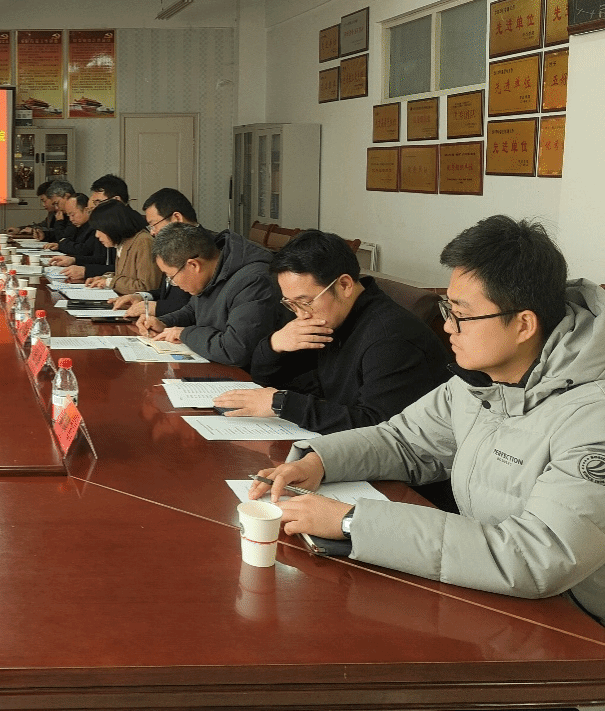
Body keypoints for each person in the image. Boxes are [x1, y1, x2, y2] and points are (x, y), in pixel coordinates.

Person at [251, 217, 605, 624]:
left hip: (576, 624)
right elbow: (404, 440)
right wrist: (319, 461)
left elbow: (536, 555)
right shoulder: (480, 380)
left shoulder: (592, 417)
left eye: (461, 315)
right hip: (490, 592)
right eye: (447, 309)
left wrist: (351, 522)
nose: (448, 327)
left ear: (524, 324)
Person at [214, 229, 450, 434]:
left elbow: (378, 428)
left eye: (305, 302)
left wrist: (282, 404)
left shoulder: (391, 338)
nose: (300, 314)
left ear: (344, 285)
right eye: (291, 304)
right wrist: (275, 345)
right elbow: (272, 382)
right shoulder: (332, 318)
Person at [137, 223, 278, 369]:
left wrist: (185, 334)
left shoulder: (253, 281)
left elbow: (235, 350)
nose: (173, 283)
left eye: (171, 276)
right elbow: (192, 311)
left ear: (194, 265)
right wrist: (164, 322)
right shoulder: (214, 270)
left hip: (248, 376)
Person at [112, 187, 198, 319]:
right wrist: (141, 296)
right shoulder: (173, 244)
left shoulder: (207, 247)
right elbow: (168, 292)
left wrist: (156, 307)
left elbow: (198, 306)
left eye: (154, 225)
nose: (152, 232)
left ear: (176, 218)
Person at [84, 199, 157, 294]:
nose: (97, 235)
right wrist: (105, 278)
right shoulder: (123, 243)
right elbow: (126, 276)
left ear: (111, 226)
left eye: (99, 229)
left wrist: (110, 282)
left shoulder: (143, 242)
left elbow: (146, 287)